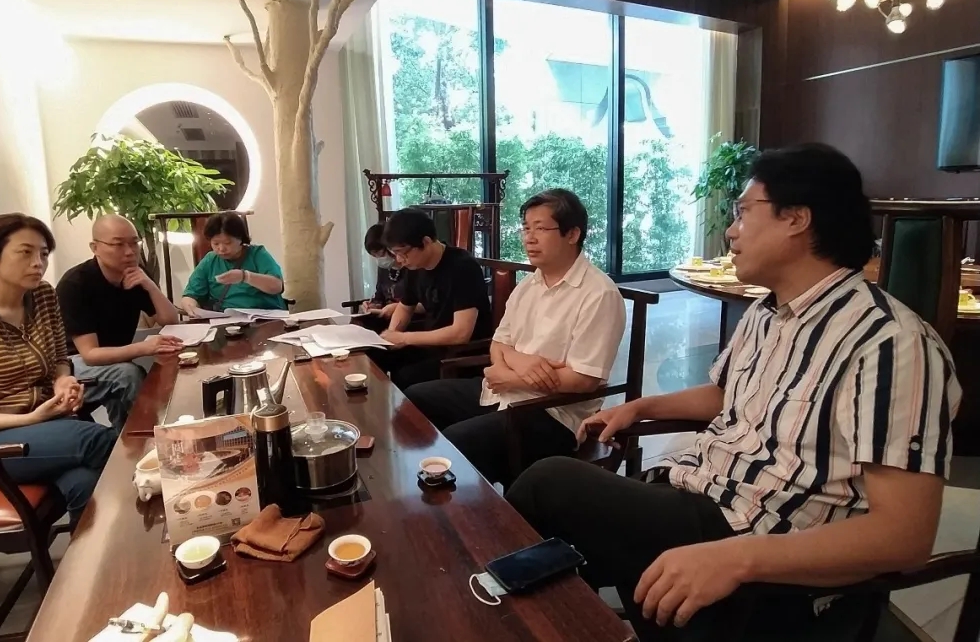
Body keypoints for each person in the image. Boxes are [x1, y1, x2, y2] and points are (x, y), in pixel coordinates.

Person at [506, 145, 961, 642]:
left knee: (549, 484)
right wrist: (639, 406)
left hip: (766, 549)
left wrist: (736, 558)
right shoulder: (767, 313)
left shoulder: (890, 342)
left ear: (797, 219)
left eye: (744, 212)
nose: (731, 230)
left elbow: (904, 536)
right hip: (702, 497)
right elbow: (728, 396)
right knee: (556, 557)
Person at [403, 190, 625, 488]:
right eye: (526, 228)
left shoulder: (599, 294)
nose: (529, 238)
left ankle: (483, 507)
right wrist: (519, 362)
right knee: (418, 397)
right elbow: (499, 343)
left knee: (458, 442)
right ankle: (463, 491)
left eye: (540, 228)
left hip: (552, 413)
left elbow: (584, 380)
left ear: (572, 234)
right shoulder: (529, 284)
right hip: (501, 393)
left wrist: (511, 378)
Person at [0, 214, 116, 525]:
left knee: (86, 483)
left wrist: (63, 382)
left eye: (43, 253)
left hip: (38, 429)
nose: (37, 263)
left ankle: (98, 556)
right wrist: (30, 419)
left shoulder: (42, 296)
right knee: (98, 440)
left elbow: (60, 358)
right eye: (25, 252)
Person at [56, 214, 182, 432]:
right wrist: (144, 347)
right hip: (70, 365)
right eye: (118, 244)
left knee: (164, 362)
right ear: (95, 247)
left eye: (134, 243)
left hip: (112, 358)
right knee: (127, 375)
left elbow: (170, 319)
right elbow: (90, 355)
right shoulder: (75, 284)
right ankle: (149, 438)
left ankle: (125, 440)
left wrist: (150, 285)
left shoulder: (135, 276)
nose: (129, 251)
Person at [372, 209, 492, 389]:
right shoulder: (414, 267)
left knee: (406, 377)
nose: (399, 260)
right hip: (430, 345)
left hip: (460, 354)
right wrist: (391, 336)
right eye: (394, 253)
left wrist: (404, 338)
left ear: (426, 242)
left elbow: (461, 333)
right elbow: (405, 307)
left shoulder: (463, 267)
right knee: (375, 355)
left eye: (403, 253)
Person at [181, 212, 285, 315]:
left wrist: (245, 276)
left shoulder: (257, 254)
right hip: (224, 319)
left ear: (240, 239)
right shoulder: (210, 260)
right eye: (216, 243)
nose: (221, 248)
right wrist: (191, 307)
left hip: (264, 318)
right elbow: (190, 295)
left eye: (227, 243)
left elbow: (277, 286)